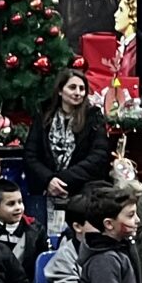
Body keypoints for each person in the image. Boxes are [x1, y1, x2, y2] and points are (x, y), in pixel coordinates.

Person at [22, 68, 110, 237]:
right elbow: (30, 155)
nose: (78, 93)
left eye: (82, 89)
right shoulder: (43, 115)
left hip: (81, 192)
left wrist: (63, 179)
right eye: (72, 87)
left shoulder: (93, 117)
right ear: (60, 91)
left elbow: (99, 156)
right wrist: (49, 180)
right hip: (46, 191)